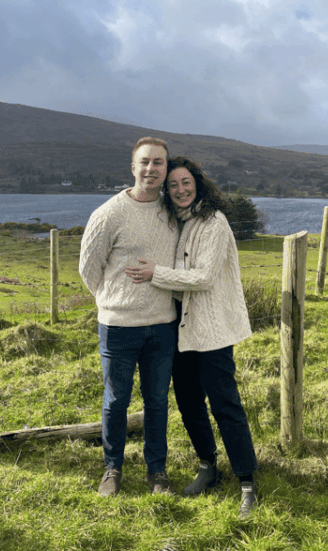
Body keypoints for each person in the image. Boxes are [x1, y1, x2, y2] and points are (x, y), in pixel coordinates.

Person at [125, 156, 259, 518]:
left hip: (213, 331)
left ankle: (247, 482)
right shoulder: (178, 222)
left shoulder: (213, 222)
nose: (181, 190)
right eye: (173, 185)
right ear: (167, 191)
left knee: (225, 404)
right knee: (188, 404)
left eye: (186, 183)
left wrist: (155, 273)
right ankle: (208, 467)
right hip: (181, 330)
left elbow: (202, 278)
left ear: (197, 184)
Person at [79, 136, 179, 497]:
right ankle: (112, 468)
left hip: (163, 325)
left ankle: (158, 473)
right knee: (116, 401)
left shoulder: (174, 212)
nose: (151, 169)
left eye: (159, 163)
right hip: (118, 327)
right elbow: (88, 268)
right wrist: (113, 301)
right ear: (133, 167)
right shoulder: (108, 214)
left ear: (166, 169)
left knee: (156, 402)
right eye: (145, 162)